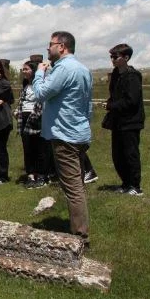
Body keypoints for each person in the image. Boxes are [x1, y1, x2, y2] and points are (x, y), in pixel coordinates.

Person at [32, 31, 93, 244]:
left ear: (62, 46)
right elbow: (88, 104)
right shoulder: (83, 69)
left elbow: (40, 94)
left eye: (51, 44)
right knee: (78, 184)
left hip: (64, 134)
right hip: (79, 132)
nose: (47, 48)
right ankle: (79, 227)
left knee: (73, 187)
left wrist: (39, 73)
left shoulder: (64, 68)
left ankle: (80, 235)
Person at [105, 43, 145, 196]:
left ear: (126, 58)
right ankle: (125, 183)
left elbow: (132, 100)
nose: (112, 60)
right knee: (117, 154)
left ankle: (135, 186)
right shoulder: (116, 74)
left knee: (130, 154)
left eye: (115, 57)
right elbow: (114, 95)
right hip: (118, 120)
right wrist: (111, 103)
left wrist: (111, 105)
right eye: (111, 57)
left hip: (131, 121)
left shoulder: (132, 76)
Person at [16, 60, 48, 189]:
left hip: (36, 118)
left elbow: (42, 101)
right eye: (23, 69)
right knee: (27, 148)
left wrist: (34, 116)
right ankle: (30, 175)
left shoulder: (40, 84)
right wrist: (17, 112)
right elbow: (22, 101)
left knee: (39, 148)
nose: (24, 71)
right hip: (24, 118)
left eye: (26, 69)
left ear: (34, 70)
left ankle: (41, 175)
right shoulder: (25, 85)